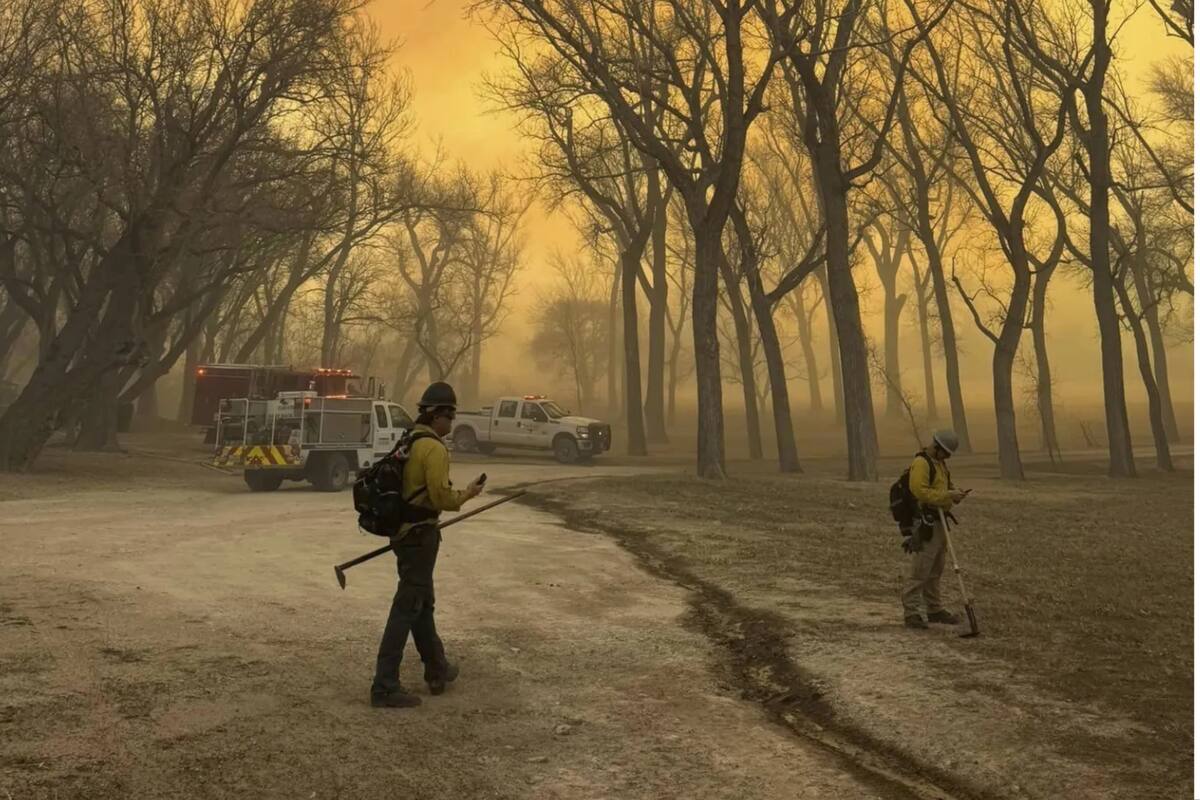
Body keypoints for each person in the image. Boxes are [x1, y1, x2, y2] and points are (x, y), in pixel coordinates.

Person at [370, 381, 484, 708]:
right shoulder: (434, 448)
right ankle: (384, 685)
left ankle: (437, 668)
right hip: (420, 537)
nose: (452, 424)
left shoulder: (410, 440)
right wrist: (468, 494)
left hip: (404, 535)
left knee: (422, 603)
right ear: (438, 416)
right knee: (407, 607)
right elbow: (441, 497)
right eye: (450, 417)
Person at [901, 429, 969, 630]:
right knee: (921, 569)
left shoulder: (941, 464)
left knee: (936, 568)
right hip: (925, 522)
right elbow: (920, 491)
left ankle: (934, 609)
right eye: (946, 453)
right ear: (937, 447)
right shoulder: (921, 463)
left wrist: (955, 493)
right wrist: (947, 495)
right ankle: (911, 612)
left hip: (940, 521)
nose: (947, 457)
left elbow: (944, 486)